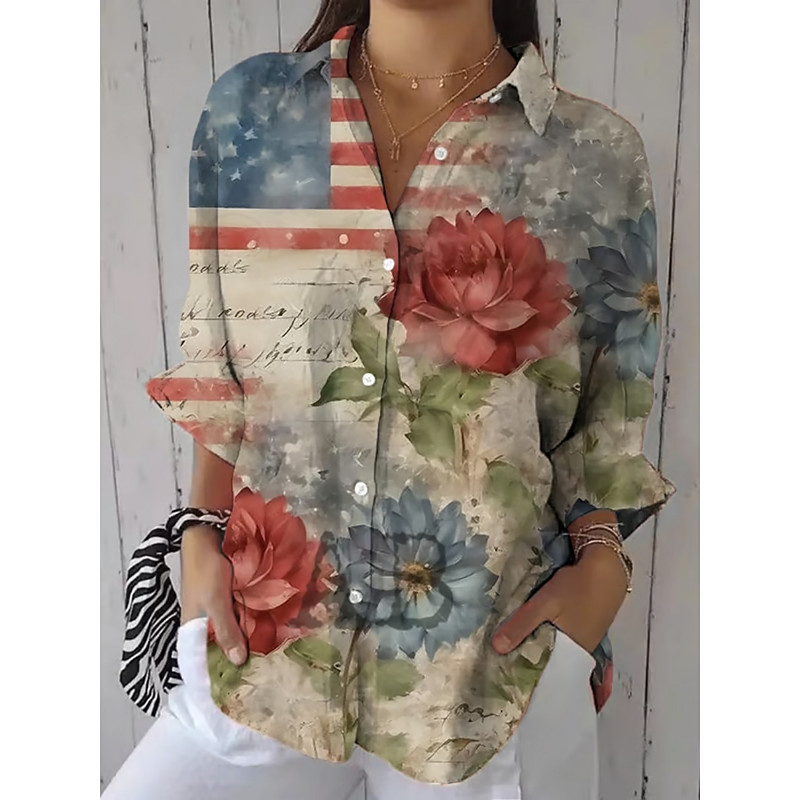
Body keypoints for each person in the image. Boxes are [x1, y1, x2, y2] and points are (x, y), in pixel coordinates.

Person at [103, 0, 674, 798]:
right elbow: (219, 357)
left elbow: (606, 424)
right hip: (264, 651)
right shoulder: (254, 114)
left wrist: (601, 574)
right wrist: (200, 532)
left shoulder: (591, 156)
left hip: (488, 681)